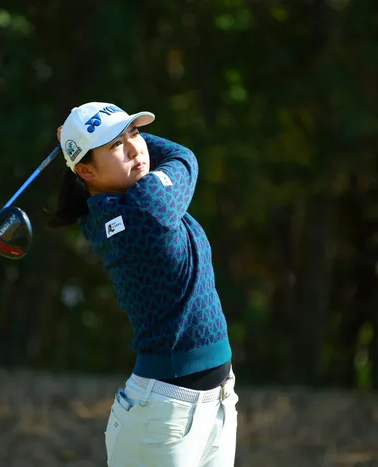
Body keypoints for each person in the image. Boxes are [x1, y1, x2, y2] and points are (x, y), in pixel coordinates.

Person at [48, 102, 239, 466]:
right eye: (116, 145)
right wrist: (78, 143)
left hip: (215, 404)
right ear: (87, 171)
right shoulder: (147, 207)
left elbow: (140, 159)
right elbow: (183, 156)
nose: (136, 148)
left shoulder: (107, 208)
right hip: (163, 418)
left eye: (134, 133)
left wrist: (85, 143)